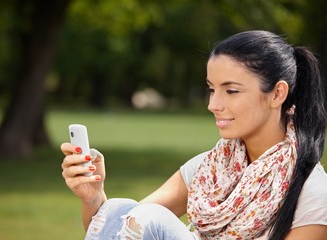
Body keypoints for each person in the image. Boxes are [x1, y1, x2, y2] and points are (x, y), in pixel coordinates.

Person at [61, 30, 327, 240]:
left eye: (231, 91)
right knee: (119, 208)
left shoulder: (312, 193)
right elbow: (123, 228)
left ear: (277, 94)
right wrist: (93, 197)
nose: (213, 104)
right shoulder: (208, 169)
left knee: (153, 217)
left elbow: (147, 222)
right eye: (212, 89)